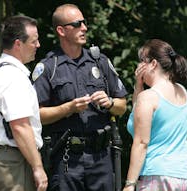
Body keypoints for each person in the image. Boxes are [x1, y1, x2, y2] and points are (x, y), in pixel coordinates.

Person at [32, 3, 128, 191]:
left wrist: (109, 103)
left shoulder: (100, 61)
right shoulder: (48, 67)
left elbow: (122, 105)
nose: (84, 28)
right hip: (67, 158)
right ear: (61, 30)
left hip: (102, 157)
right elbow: (36, 115)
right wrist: (68, 108)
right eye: (77, 24)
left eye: (84, 23)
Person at [0, 15, 48, 191]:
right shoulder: (13, 77)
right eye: (34, 41)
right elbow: (20, 126)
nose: (38, 45)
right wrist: (38, 167)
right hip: (11, 162)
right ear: (18, 44)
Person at [123, 39, 187, 191]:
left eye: (142, 61)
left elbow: (142, 142)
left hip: (156, 175)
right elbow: (138, 115)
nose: (139, 66)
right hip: (185, 176)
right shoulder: (182, 92)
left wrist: (130, 184)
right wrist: (139, 86)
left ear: (153, 64)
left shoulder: (149, 97)